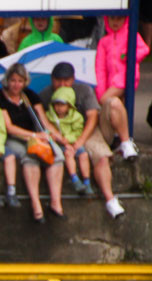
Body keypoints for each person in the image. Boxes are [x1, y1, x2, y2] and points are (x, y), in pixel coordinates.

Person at [39, 62, 125, 219]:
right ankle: (80, 183)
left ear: (73, 80)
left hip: (87, 131)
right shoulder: (46, 94)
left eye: (66, 80)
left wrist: (79, 141)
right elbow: (44, 121)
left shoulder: (84, 90)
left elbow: (92, 117)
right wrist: (62, 140)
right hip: (62, 136)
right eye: (58, 80)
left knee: (101, 157)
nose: (62, 84)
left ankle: (110, 199)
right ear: (52, 80)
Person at [0, 63, 62, 223]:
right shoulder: (1, 98)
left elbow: (44, 121)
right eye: (13, 80)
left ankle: (55, 202)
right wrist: (34, 135)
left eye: (20, 81)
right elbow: (9, 128)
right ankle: (36, 204)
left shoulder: (29, 96)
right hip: (15, 138)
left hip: (37, 136)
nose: (16, 84)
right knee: (29, 157)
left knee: (57, 156)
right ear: (7, 81)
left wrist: (57, 137)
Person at [95, 16, 147, 161]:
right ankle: (121, 139)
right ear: (107, 20)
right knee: (115, 104)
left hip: (125, 78)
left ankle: (124, 141)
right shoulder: (104, 42)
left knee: (108, 100)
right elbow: (100, 70)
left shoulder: (132, 36)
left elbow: (144, 49)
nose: (115, 22)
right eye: (112, 19)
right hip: (111, 81)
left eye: (119, 19)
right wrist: (100, 91)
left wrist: (129, 56)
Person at [45, 87, 93, 197]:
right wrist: (57, 139)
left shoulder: (76, 117)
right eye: (56, 104)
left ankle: (87, 181)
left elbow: (77, 132)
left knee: (84, 154)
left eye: (62, 105)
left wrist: (68, 139)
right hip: (58, 145)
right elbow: (47, 131)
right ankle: (74, 179)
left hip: (73, 143)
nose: (59, 108)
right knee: (68, 154)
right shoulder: (49, 116)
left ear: (69, 105)